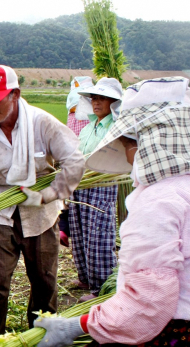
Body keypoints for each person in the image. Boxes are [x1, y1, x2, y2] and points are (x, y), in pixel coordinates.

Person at [31, 77, 190, 347]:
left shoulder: (159, 201)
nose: (127, 157)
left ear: (145, 146)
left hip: (177, 342)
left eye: (127, 146)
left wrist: (78, 326)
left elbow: (146, 308)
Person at [0, 64, 85, 334]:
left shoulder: (41, 123)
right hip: (0, 214)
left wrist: (52, 194)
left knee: (44, 280)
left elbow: (73, 159)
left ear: (14, 94)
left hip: (40, 215)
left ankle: (43, 335)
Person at [68, 77, 122, 300]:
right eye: (94, 98)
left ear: (113, 102)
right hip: (81, 184)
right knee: (79, 231)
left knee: (97, 235)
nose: (96, 102)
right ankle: (85, 278)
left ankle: (100, 287)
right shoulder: (89, 128)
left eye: (102, 98)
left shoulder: (116, 127)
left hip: (101, 184)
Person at [58, 76, 93, 247]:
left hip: (74, 156)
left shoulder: (73, 104)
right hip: (84, 158)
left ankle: (64, 228)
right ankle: (66, 229)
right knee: (75, 199)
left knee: (69, 198)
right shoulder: (85, 104)